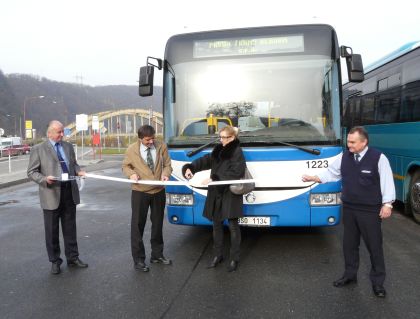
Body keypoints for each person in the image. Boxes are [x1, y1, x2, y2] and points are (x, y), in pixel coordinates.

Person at [302, 126, 395, 298]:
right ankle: (350, 275)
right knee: (349, 245)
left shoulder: (378, 158)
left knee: (374, 247)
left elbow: (387, 182)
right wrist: (314, 178)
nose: (349, 145)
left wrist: (387, 204)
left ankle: (378, 283)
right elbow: (332, 173)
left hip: (370, 210)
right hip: (350, 209)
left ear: (364, 142)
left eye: (352, 142)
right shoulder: (345, 157)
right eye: (348, 141)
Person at [27, 120, 88, 275]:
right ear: (50, 133)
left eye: (63, 132)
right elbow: (32, 172)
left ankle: (73, 258)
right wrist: (44, 179)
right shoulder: (38, 149)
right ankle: (55, 261)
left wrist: (78, 170)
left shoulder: (68, 147)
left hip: (69, 191)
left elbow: (73, 164)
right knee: (52, 230)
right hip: (51, 192)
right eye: (59, 132)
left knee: (70, 228)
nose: (62, 134)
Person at [182, 126, 246, 272]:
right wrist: (190, 168)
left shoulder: (237, 151)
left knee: (233, 227)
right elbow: (206, 160)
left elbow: (237, 172)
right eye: (221, 137)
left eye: (224, 137)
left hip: (230, 194)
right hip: (216, 193)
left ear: (232, 138)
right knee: (216, 225)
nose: (221, 140)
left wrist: (214, 178)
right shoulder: (218, 149)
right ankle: (217, 256)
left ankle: (234, 259)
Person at [122, 125, 173, 272]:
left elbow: (168, 164)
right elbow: (125, 166)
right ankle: (138, 260)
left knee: (157, 224)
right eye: (147, 140)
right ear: (140, 138)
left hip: (158, 191)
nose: (151, 142)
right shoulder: (132, 149)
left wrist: (166, 173)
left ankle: (157, 255)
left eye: (152, 138)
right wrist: (131, 174)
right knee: (138, 226)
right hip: (140, 192)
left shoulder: (161, 145)